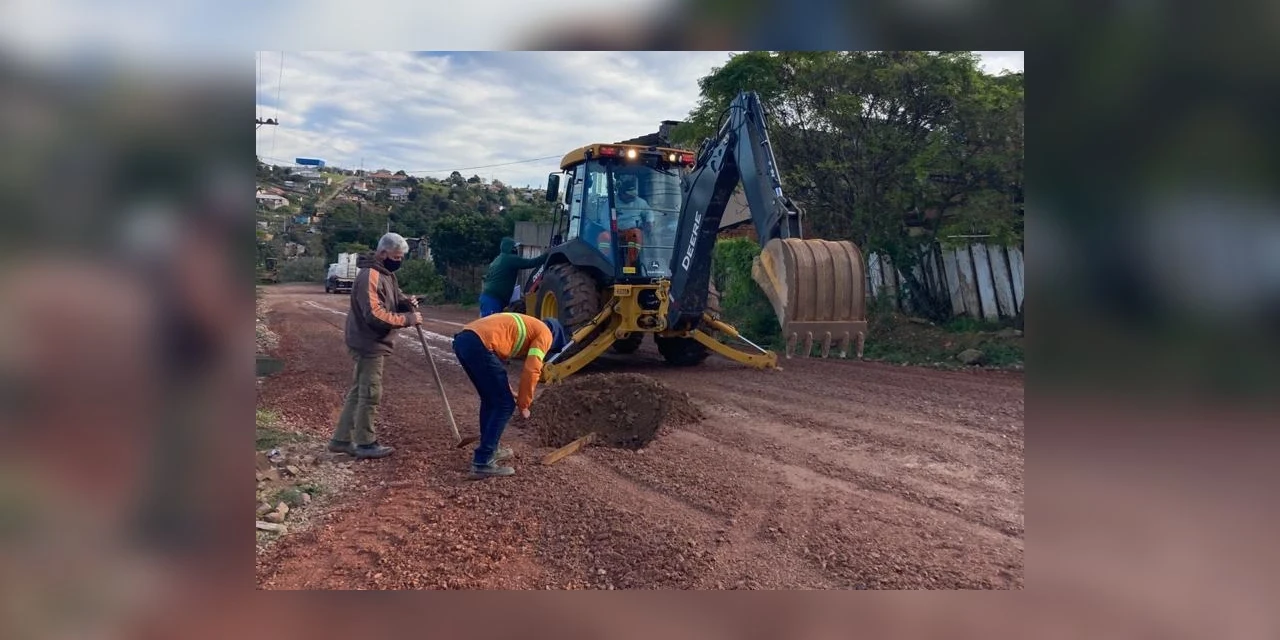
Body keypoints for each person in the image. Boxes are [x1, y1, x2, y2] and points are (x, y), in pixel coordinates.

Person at [328, 232, 423, 459]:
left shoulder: (386, 274)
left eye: (400, 258)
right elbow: (375, 314)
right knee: (370, 393)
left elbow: (392, 297)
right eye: (396, 257)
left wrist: (406, 302)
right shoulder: (370, 275)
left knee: (359, 390)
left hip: (371, 340)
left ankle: (341, 439)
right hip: (368, 341)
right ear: (382, 253)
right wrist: (409, 319)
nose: (398, 261)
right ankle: (365, 443)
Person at [451, 312, 567, 479]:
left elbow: (494, 364)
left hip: (464, 341)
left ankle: (491, 448)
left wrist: (507, 388)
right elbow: (532, 370)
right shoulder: (545, 333)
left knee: (491, 400)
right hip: (478, 344)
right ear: (555, 336)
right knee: (505, 404)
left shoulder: (529, 325)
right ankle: (483, 462)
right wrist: (524, 404)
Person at [479, 237, 547, 317]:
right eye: (514, 247)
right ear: (510, 248)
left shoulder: (497, 259)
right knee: (491, 325)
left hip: (488, 298)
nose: (516, 250)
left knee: (492, 324)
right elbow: (531, 263)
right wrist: (547, 255)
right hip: (493, 300)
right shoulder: (510, 259)